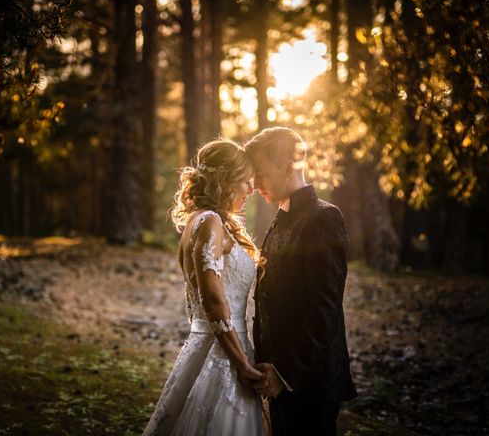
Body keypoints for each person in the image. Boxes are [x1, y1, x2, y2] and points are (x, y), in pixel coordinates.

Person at [142, 138, 265, 436]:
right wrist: (243, 365)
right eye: (245, 180)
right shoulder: (210, 222)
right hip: (221, 350)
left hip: (210, 343)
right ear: (227, 179)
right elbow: (213, 302)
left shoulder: (201, 221)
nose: (250, 188)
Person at [244, 127, 357, 436]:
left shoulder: (324, 217)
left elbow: (325, 310)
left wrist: (284, 373)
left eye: (260, 174)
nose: (254, 185)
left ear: (287, 167)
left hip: (310, 382)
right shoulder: (281, 217)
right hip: (278, 378)